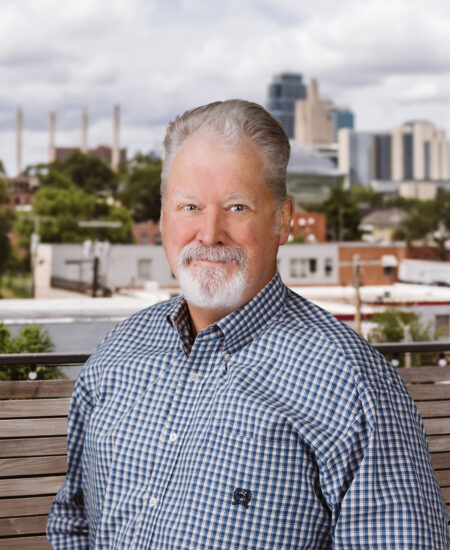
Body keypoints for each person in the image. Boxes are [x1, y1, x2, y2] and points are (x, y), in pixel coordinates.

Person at [47, 99, 449, 549]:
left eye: (237, 207)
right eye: (189, 206)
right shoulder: (118, 353)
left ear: (283, 220)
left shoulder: (352, 384)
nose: (210, 232)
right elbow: (74, 522)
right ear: (162, 216)